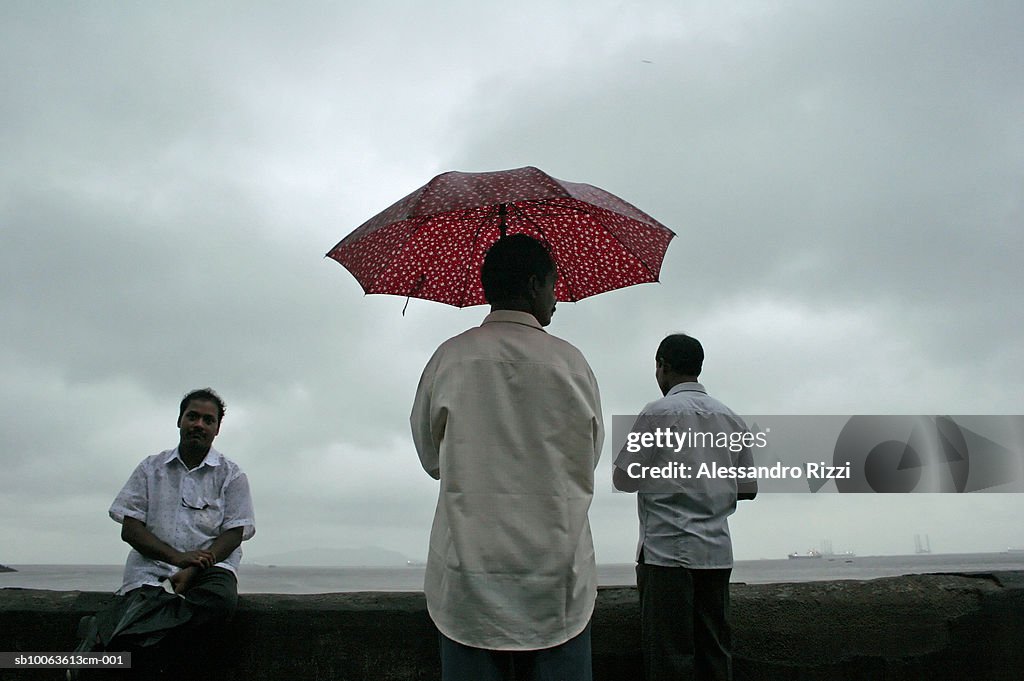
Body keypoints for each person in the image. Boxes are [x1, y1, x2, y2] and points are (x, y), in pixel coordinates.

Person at [411, 234, 604, 681]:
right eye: (553, 285)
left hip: (468, 583)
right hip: (559, 582)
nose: (556, 298)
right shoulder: (572, 363)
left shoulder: (450, 358)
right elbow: (587, 458)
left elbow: (430, 458)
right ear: (534, 284)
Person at [71, 388, 255, 676]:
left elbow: (234, 532)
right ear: (179, 420)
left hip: (210, 567)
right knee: (150, 604)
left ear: (217, 429)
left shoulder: (231, 475)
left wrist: (194, 567)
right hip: (151, 565)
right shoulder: (150, 469)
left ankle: (104, 634)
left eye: (208, 420)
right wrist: (178, 558)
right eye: (192, 416)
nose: (199, 425)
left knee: (219, 604)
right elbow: (130, 529)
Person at [613, 334, 756, 681]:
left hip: (666, 554)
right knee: (715, 654)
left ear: (662, 366)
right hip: (717, 554)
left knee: (669, 657)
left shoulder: (657, 413)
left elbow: (624, 479)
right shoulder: (731, 418)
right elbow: (748, 488)